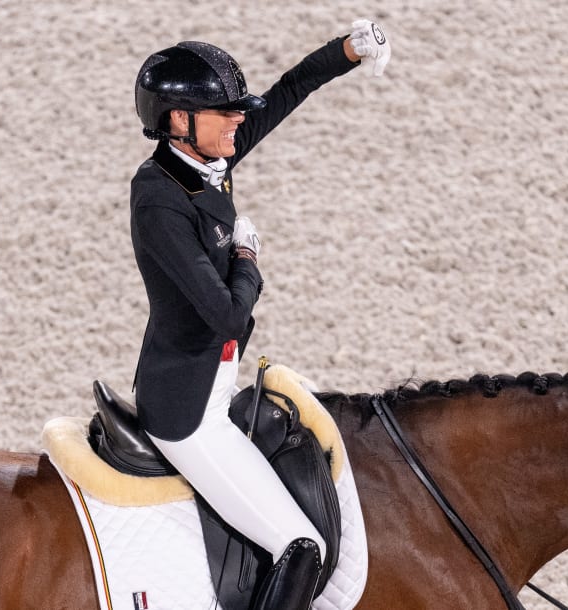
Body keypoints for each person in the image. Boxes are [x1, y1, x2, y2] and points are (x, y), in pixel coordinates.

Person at [129, 20, 390, 610]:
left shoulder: (208, 157)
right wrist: (248, 257)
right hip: (187, 409)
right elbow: (224, 313)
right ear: (177, 120)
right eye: (223, 113)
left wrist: (345, 51)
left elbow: (285, 93)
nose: (238, 120)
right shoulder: (159, 198)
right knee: (301, 545)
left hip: (214, 379)